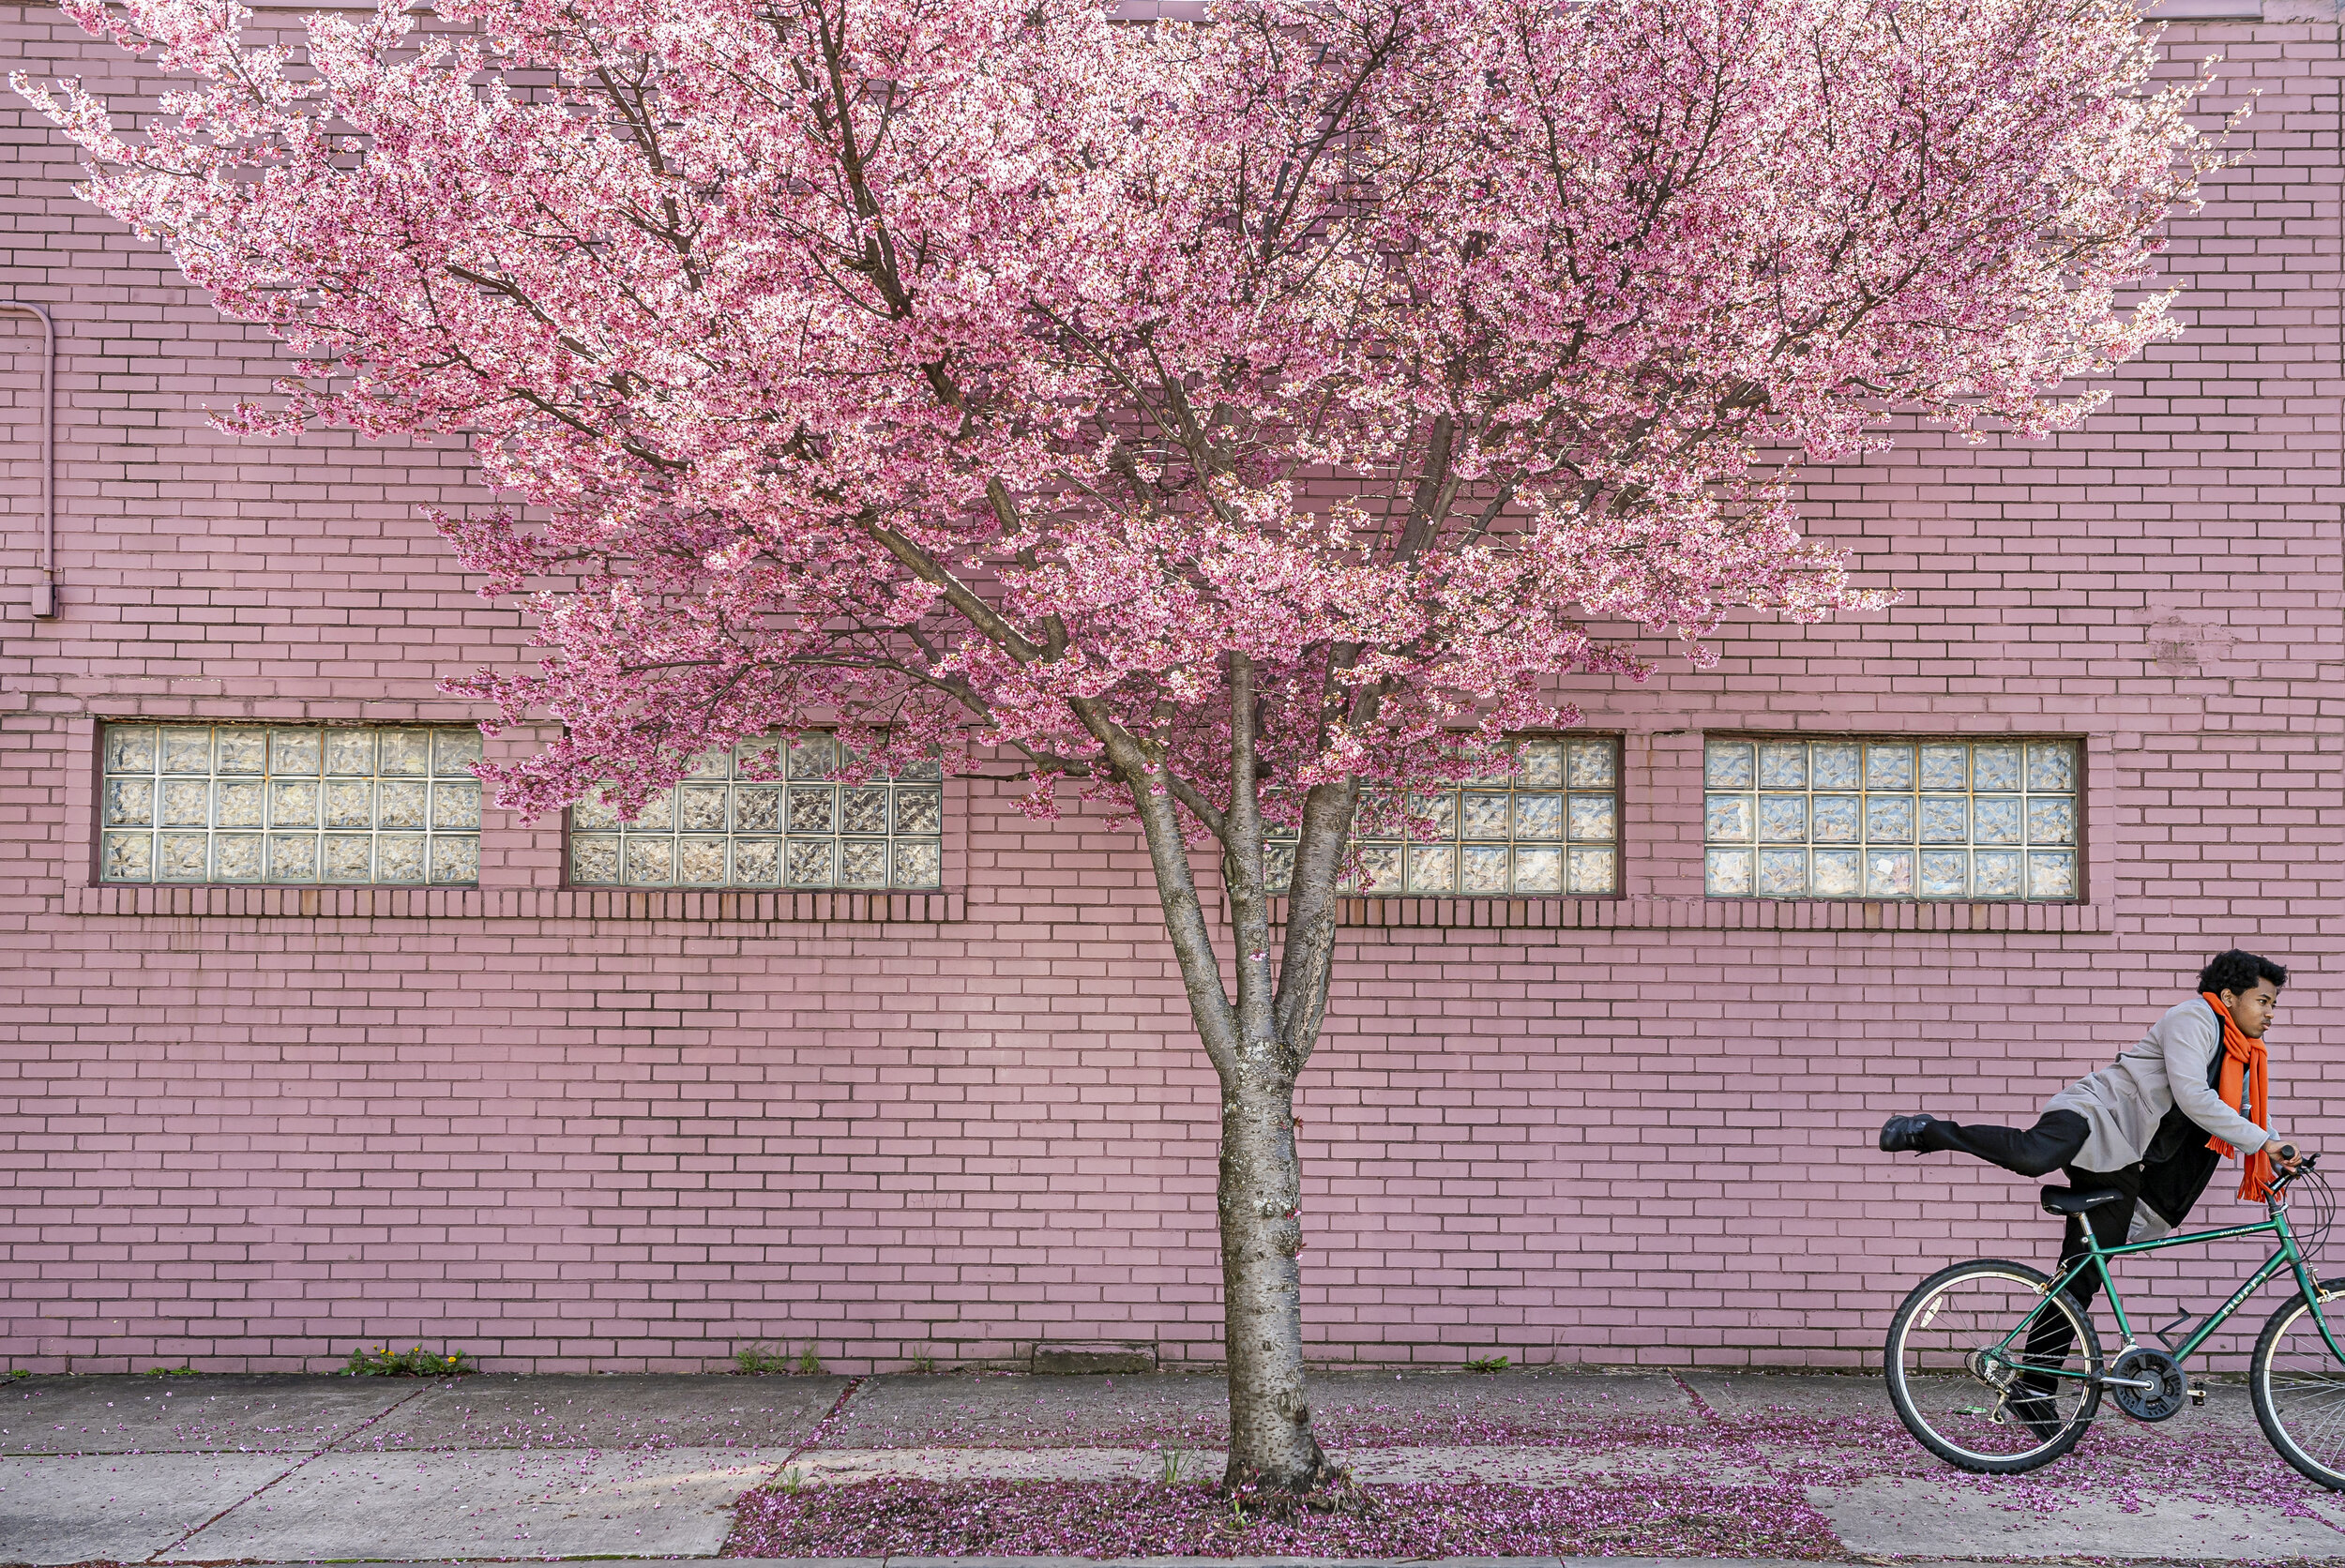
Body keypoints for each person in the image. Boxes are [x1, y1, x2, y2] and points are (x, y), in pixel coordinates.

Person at [1880, 948, 2301, 1429]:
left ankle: (2034, 1388)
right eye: (2263, 1001)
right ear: (2229, 996)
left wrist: (2278, 1152)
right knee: (2034, 1157)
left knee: (2081, 1277)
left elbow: (2244, 1115)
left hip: (2123, 1154)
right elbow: (2193, 1096)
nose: (2270, 1014)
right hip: (2093, 1113)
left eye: (2274, 1005)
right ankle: (1927, 1130)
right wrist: (2265, 1143)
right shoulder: (2195, 1018)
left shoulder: (2241, 1057)